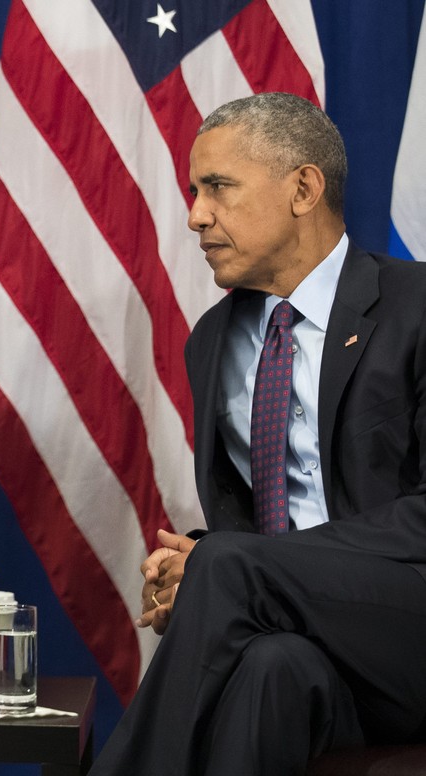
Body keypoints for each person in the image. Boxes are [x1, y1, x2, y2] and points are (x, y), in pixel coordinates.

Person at [89, 92, 426, 775]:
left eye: (217, 188)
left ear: (304, 187)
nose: (195, 216)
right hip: (304, 640)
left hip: (409, 629)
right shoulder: (212, 341)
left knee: (227, 565)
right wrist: (206, 570)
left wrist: (236, 567)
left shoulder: (416, 307)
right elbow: (249, 537)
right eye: (192, 191)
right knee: (271, 669)